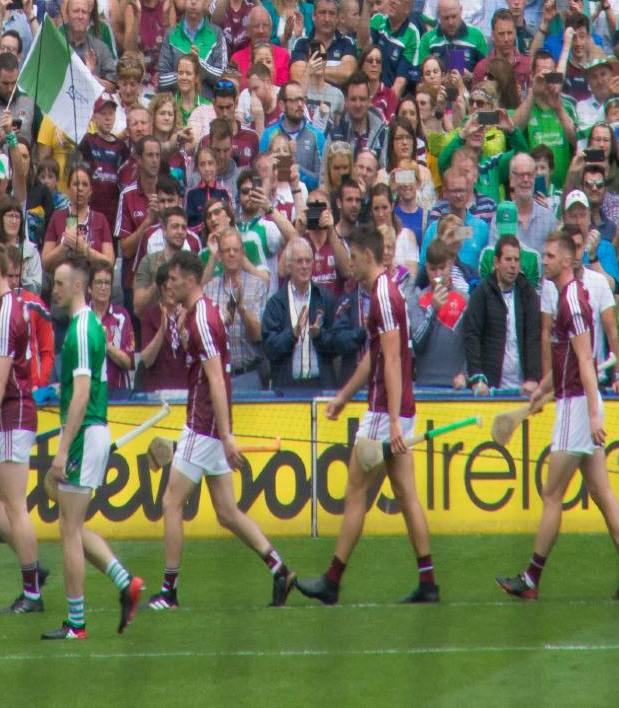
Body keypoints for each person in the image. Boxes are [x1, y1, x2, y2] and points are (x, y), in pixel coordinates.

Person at [147, 249, 296, 611]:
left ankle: (169, 592)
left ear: (191, 279)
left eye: (175, 278)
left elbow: (216, 378)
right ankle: (279, 569)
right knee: (227, 512)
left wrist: (225, 435)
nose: (170, 284)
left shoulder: (202, 318)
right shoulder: (201, 315)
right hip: (208, 425)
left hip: (203, 424)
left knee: (170, 502)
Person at [495, 231, 619, 602]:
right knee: (600, 490)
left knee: (551, 494)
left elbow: (585, 362)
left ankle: (530, 579)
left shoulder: (572, 300)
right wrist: (542, 392)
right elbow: (565, 362)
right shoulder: (567, 296)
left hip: (577, 407)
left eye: (547, 256)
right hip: (573, 399)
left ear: (566, 260)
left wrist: (593, 414)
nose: (541, 261)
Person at [296, 225, 437, 607]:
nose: (350, 266)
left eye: (354, 258)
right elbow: (376, 356)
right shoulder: (383, 292)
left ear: (368, 256)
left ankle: (332, 580)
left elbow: (391, 358)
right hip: (394, 407)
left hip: (383, 411)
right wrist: (344, 396)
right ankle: (428, 582)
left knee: (355, 492)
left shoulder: (383, 297)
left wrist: (391, 420)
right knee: (407, 496)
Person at [42, 255, 144, 639]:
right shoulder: (86, 328)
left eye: (60, 283)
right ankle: (124, 582)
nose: (54, 289)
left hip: (85, 432)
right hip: (91, 430)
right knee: (72, 524)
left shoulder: (82, 330)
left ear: (79, 287)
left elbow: (82, 394)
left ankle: (77, 623)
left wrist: (63, 449)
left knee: (68, 530)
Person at [0, 242, 45, 613]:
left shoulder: (4, 315)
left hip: (13, 415)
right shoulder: (8, 308)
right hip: (11, 416)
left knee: (16, 506)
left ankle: (32, 591)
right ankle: (33, 565)